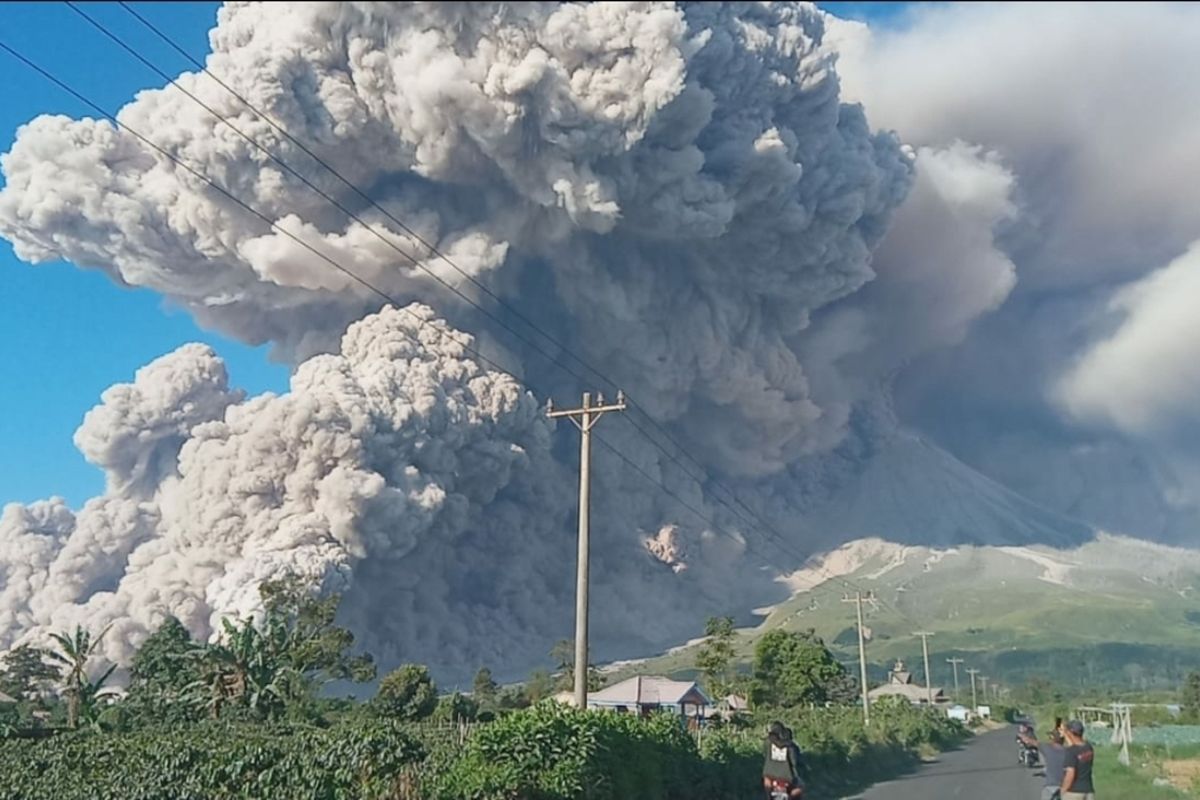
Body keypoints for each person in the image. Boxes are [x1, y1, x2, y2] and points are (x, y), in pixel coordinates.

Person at [1019, 726, 1068, 800]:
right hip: (1066, 786)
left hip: (1051, 786)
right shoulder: (1068, 752)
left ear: (1052, 738)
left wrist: (1022, 736)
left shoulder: (1047, 748)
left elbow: (1031, 741)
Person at [762, 721, 805, 798]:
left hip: (770, 774)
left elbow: (765, 754)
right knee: (801, 786)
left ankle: (768, 797)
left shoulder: (768, 742)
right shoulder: (790, 746)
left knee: (766, 781)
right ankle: (790, 797)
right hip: (787, 776)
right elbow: (794, 761)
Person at [1061, 719, 1096, 800]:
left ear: (1070, 732)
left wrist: (1063, 790)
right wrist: (1067, 734)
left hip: (1074, 792)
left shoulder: (1071, 752)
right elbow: (1075, 745)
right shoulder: (1088, 747)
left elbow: (1070, 774)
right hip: (1088, 791)